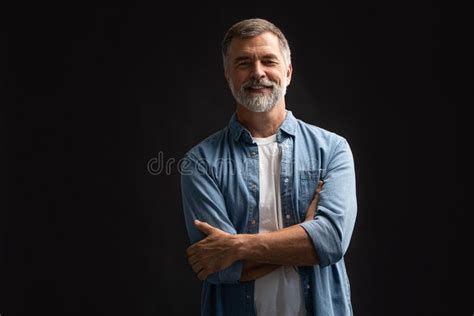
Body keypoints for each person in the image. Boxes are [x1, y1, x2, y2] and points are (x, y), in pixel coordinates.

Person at [180, 18, 357, 316]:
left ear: (287, 72)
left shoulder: (332, 149)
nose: (257, 72)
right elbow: (219, 269)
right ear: (227, 75)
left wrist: (236, 247)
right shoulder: (200, 162)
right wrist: (305, 239)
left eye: (268, 60)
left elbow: (331, 241)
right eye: (244, 63)